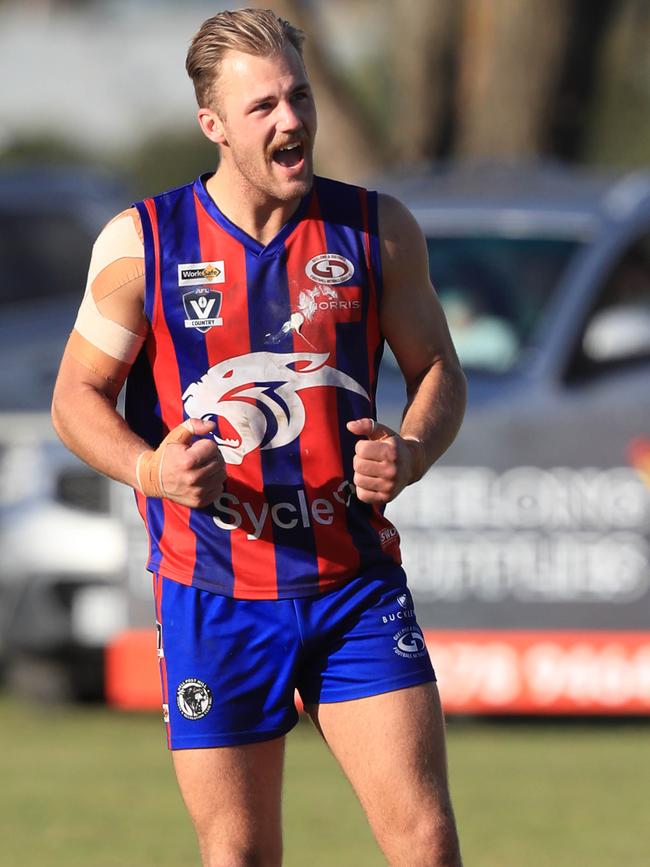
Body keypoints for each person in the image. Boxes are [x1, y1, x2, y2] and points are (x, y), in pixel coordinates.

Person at [51, 8, 466, 866]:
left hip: (353, 586)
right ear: (213, 125)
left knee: (425, 841)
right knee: (240, 854)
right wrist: (150, 466)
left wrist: (414, 449)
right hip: (212, 593)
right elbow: (74, 399)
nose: (292, 121)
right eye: (264, 106)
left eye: (300, 97)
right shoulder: (143, 244)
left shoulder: (377, 230)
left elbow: (440, 373)